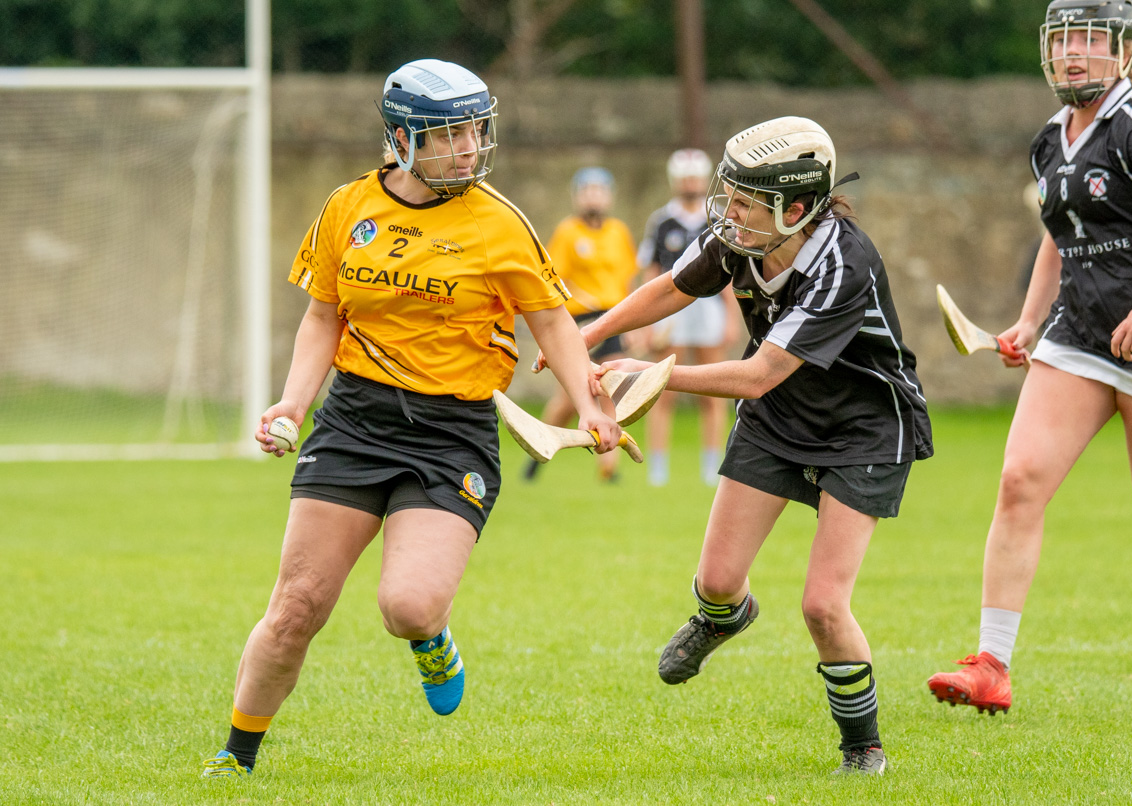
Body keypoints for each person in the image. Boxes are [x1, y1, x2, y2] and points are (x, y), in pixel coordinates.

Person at [200, 58, 620, 778]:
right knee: (297, 605)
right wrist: (293, 404)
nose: (468, 146)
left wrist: (588, 405)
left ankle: (432, 640)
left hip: (451, 431)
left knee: (408, 607)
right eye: (449, 133)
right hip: (353, 422)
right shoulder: (347, 207)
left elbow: (551, 326)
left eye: (475, 129)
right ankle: (235, 758)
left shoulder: (498, 222)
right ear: (401, 138)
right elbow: (322, 316)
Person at [575, 117, 933, 774]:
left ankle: (862, 747)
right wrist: (591, 335)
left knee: (823, 604)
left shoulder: (841, 263)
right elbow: (672, 287)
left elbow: (758, 373)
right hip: (776, 420)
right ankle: (723, 618)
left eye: (744, 201)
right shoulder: (744, 237)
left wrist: (651, 376)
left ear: (794, 209)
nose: (728, 212)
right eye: (729, 195)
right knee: (714, 582)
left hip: (864, 431)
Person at [926, 0, 1132, 716]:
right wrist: (1028, 320)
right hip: (1078, 338)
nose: (1073, 53)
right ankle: (991, 664)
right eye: (1061, 40)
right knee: (1019, 480)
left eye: (1088, 40)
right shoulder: (1049, 139)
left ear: (1122, 49)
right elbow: (1060, 233)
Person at [522, 167, 637, 482]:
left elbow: (627, 280)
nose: (593, 196)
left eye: (599, 189)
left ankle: (608, 467)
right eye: (586, 190)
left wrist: (634, 325)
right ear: (576, 196)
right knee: (574, 395)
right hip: (582, 320)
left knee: (610, 388)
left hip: (613, 318)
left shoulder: (618, 232)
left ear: (609, 196)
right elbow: (554, 276)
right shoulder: (568, 232)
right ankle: (536, 452)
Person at [637, 148, 743, 486]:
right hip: (671, 313)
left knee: (713, 390)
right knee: (662, 389)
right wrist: (648, 320)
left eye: (696, 177)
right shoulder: (661, 221)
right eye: (684, 178)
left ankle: (712, 465)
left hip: (709, 309)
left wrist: (731, 318)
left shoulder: (719, 218)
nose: (690, 183)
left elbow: (731, 275)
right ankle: (658, 467)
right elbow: (651, 272)